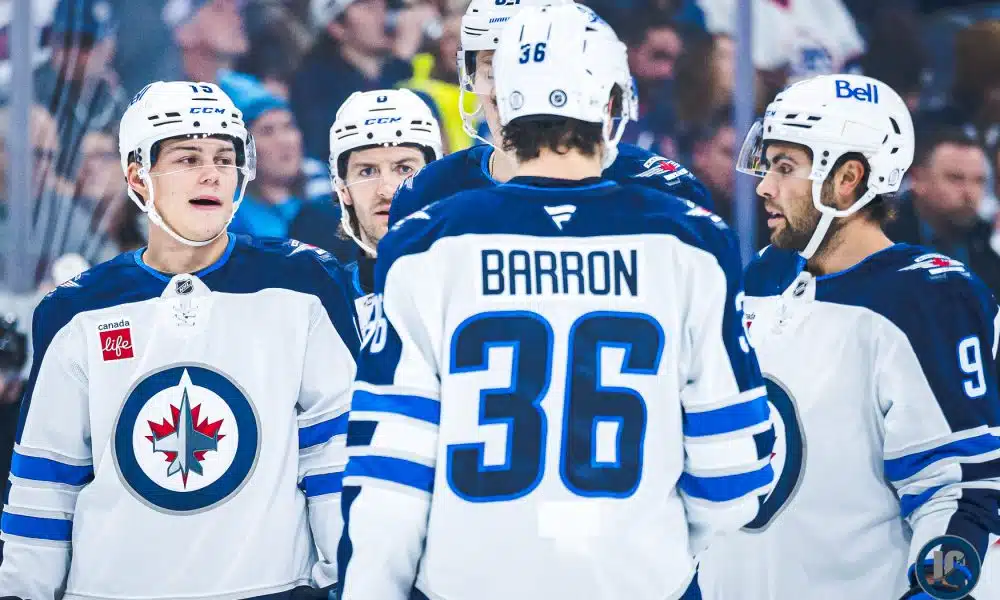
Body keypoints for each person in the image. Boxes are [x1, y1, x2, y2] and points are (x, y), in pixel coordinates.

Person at [337, 6, 772, 600]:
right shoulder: (689, 238)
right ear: (612, 100)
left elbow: (389, 474)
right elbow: (733, 474)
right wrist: (649, 545)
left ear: (501, 99)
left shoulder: (426, 241)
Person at [0, 81, 359, 600]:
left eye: (224, 158)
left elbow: (333, 452)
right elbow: (45, 486)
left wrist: (350, 581)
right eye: (188, 158)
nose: (212, 173)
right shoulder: (77, 310)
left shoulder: (303, 283)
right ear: (137, 177)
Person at [698, 74, 1000, 600]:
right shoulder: (764, 277)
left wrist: (938, 588)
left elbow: (959, 490)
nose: (765, 186)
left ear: (847, 178)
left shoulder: (927, 299)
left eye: (785, 167)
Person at [387, 0, 713, 229]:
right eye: (493, 67)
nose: (509, 91)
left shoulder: (661, 186)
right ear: (469, 75)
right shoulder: (427, 192)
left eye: (528, 67)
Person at [295, 88, 441, 323]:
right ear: (342, 188)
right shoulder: (316, 306)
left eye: (404, 169)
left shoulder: (471, 283)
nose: (386, 190)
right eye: (367, 171)